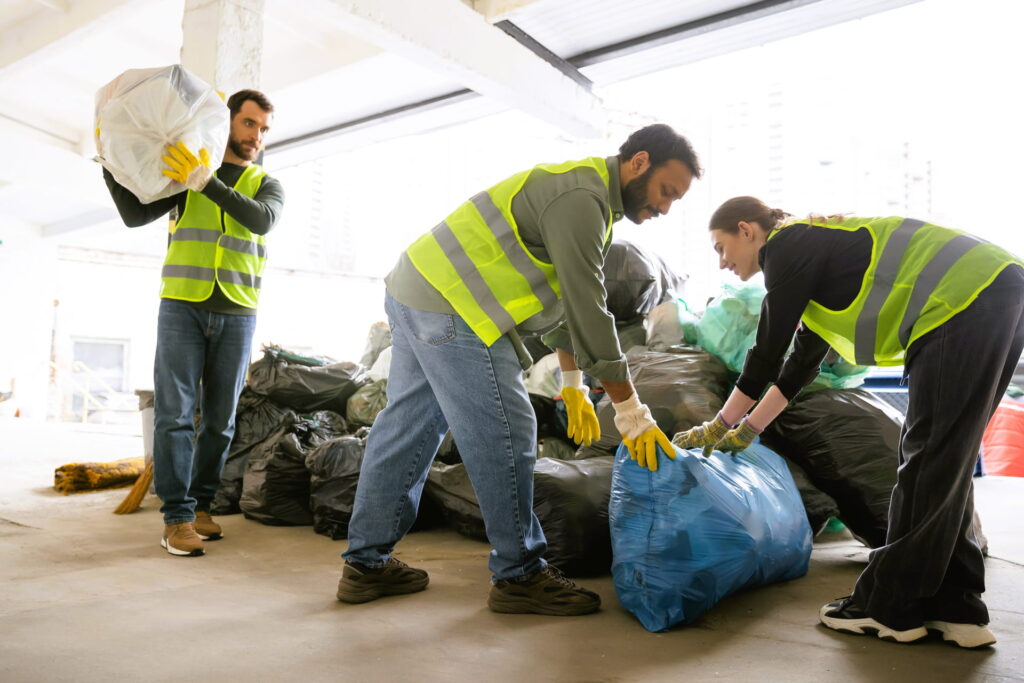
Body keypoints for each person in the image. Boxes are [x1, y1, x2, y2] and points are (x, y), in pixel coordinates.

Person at [337, 124, 702, 615]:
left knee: (406, 428)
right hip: (454, 305)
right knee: (507, 429)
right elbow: (589, 308)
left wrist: (574, 384)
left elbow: (563, 305)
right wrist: (630, 410)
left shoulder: (582, 192)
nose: (664, 207)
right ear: (639, 162)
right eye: (666, 192)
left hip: (416, 288)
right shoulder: (582, 199)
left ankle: (366, 564)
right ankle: (519, 573)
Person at [673, 196, 1022, 648]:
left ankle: (889, 608)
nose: (722, 263)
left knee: (927, 459)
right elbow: (796, 368)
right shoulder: (822, 265)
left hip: (961, 300)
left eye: (721, 247)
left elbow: (766, 351)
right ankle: (958, 609)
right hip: (995, 290)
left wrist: (718, 426)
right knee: (945, 461)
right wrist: (750, 429)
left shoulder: (787, 244)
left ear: (747, 230)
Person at [102, 90, 284, 557]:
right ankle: (178, 519)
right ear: (226, 123)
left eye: (263, 129)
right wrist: (110, 161)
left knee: (220, 421)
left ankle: (202, 506)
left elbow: (260, 222)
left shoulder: (267, 185)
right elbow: (134, 214)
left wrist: (208, 184)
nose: (256, 136)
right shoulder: (186, 177)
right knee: (175, 415)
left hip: (238, 313)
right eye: (249, 124)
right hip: (182, 305)